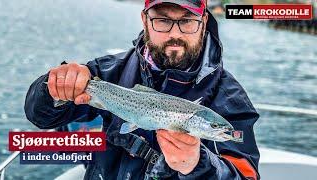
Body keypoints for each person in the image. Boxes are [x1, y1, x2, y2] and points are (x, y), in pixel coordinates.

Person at [24, 0, 260, 179]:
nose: (174, 34)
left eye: (187, 20)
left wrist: (198, 165)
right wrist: (54, 87)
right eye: (163, 20)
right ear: (145, 19)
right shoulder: (108, 72)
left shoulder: (230, 98)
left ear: (204, 22)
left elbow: (245, 174)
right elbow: (41, 116)